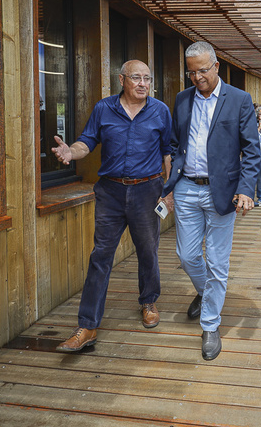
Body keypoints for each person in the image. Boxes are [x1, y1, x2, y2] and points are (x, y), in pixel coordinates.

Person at [54, 60, 173, 353]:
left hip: (147, 190)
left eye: (147, 78)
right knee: (101, 256)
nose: (143, 84)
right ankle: (87, 325)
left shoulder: (160, 111)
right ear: (122, 80)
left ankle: (148, 301)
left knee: (148, 250)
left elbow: (168, 152)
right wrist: (71, 152)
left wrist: (168, 192)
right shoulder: (103, 108)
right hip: (110, 192)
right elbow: (86, 142)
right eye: (137, 78)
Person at [161, 41, 260, 361]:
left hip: (223, 192)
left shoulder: (240, 99)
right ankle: (206, 294)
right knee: (187, 255)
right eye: (191, 72)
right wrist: (170, 185)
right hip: (186, 188)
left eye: (203, 70)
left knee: (217, 262)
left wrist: (246, 190)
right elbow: (174, 144)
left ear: (216, 66)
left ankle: (210, 324)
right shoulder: (182, 98)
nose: (197, 78)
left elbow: (252, 151)